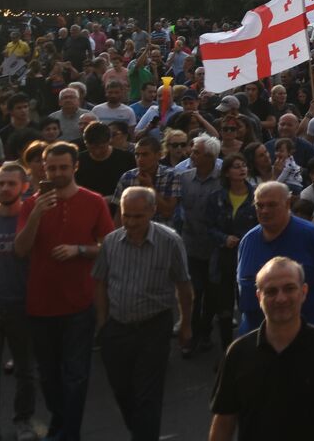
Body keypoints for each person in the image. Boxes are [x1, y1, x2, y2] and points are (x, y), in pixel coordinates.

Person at [13, 142, 113, 441]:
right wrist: (35, 215)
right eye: (51, 168)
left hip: (79, 304)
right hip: (40, 304)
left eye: (62, 168)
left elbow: (109, 247)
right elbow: (20, 250)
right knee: (49, 376)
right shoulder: (31, 204)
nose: (56, 173)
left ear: (75, 167)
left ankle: (68, 432)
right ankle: (61, 422)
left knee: (76, 375)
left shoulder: (93, 201)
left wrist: (79, 250)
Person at [210, 256, 314, 441]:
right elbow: (222, 425)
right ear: (259, 296)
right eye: (271, 291)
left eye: (289, 288)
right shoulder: (238, 353)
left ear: (304, 292)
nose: (281, 298)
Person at [92, 185, 192, 441]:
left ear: (152, 211)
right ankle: (140, 431)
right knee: (122, 390)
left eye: (138, 216)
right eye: (126, 215)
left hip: (154, 327)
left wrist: (185, 324)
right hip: (117, 328)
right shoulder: (111, 242)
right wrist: (102, 323)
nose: (131, 222)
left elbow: (183, 285)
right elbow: (100, 282)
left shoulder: (170, 241)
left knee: (148, 395)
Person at [235, 181, 314, 334]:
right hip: (255, 335)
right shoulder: (248, 241)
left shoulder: (313, 236)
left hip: (304, 335)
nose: (264, 211)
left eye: (271, 205)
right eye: (260, 205)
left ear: (287, 204)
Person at [0, 162, 37, 441]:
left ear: (24, 187)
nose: (4, 188)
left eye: (10, 183)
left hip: (22, 308)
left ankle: (23, 422)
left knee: (25, 371)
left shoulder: (31, 218)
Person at [209, 152, 258, 352]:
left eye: (244, 165)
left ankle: (248, 347)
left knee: (248, 303)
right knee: (224, 306)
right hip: (224, 256)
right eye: (236, 166)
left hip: (247, 255)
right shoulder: (217, 197)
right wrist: (223, 238)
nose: (242, 169)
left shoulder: (256, 196)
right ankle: (226, 349)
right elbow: (209, 226)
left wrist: (246, 238)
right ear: (227, 172)